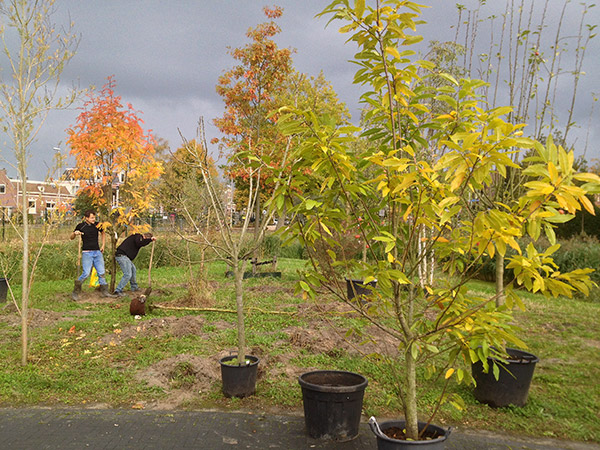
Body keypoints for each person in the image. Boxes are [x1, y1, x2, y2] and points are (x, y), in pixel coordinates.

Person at [70, 210, 115, 300]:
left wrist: (103, 245)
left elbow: (103, 233)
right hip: (87, 252)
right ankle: (76, 291)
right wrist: (75, 233)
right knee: (86, 273)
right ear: (86, 218)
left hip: (97, 252)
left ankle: (104, 291)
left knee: (101, 272)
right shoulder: (81, 226)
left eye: (94, 217)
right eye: (92, 218)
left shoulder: (97, 225)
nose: (94, 219)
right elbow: (71, 237)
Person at [113, 232, 156, 297]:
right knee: (127, 274)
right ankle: (118, 290)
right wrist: (150, 240)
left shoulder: (139, 238)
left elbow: (142, 243)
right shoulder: (138, 237)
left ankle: (134, 287)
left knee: (133, 270)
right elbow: (139, 243)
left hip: (126, 257)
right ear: (144, 237)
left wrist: (149, 240)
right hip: (122, 256)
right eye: (146, 239)